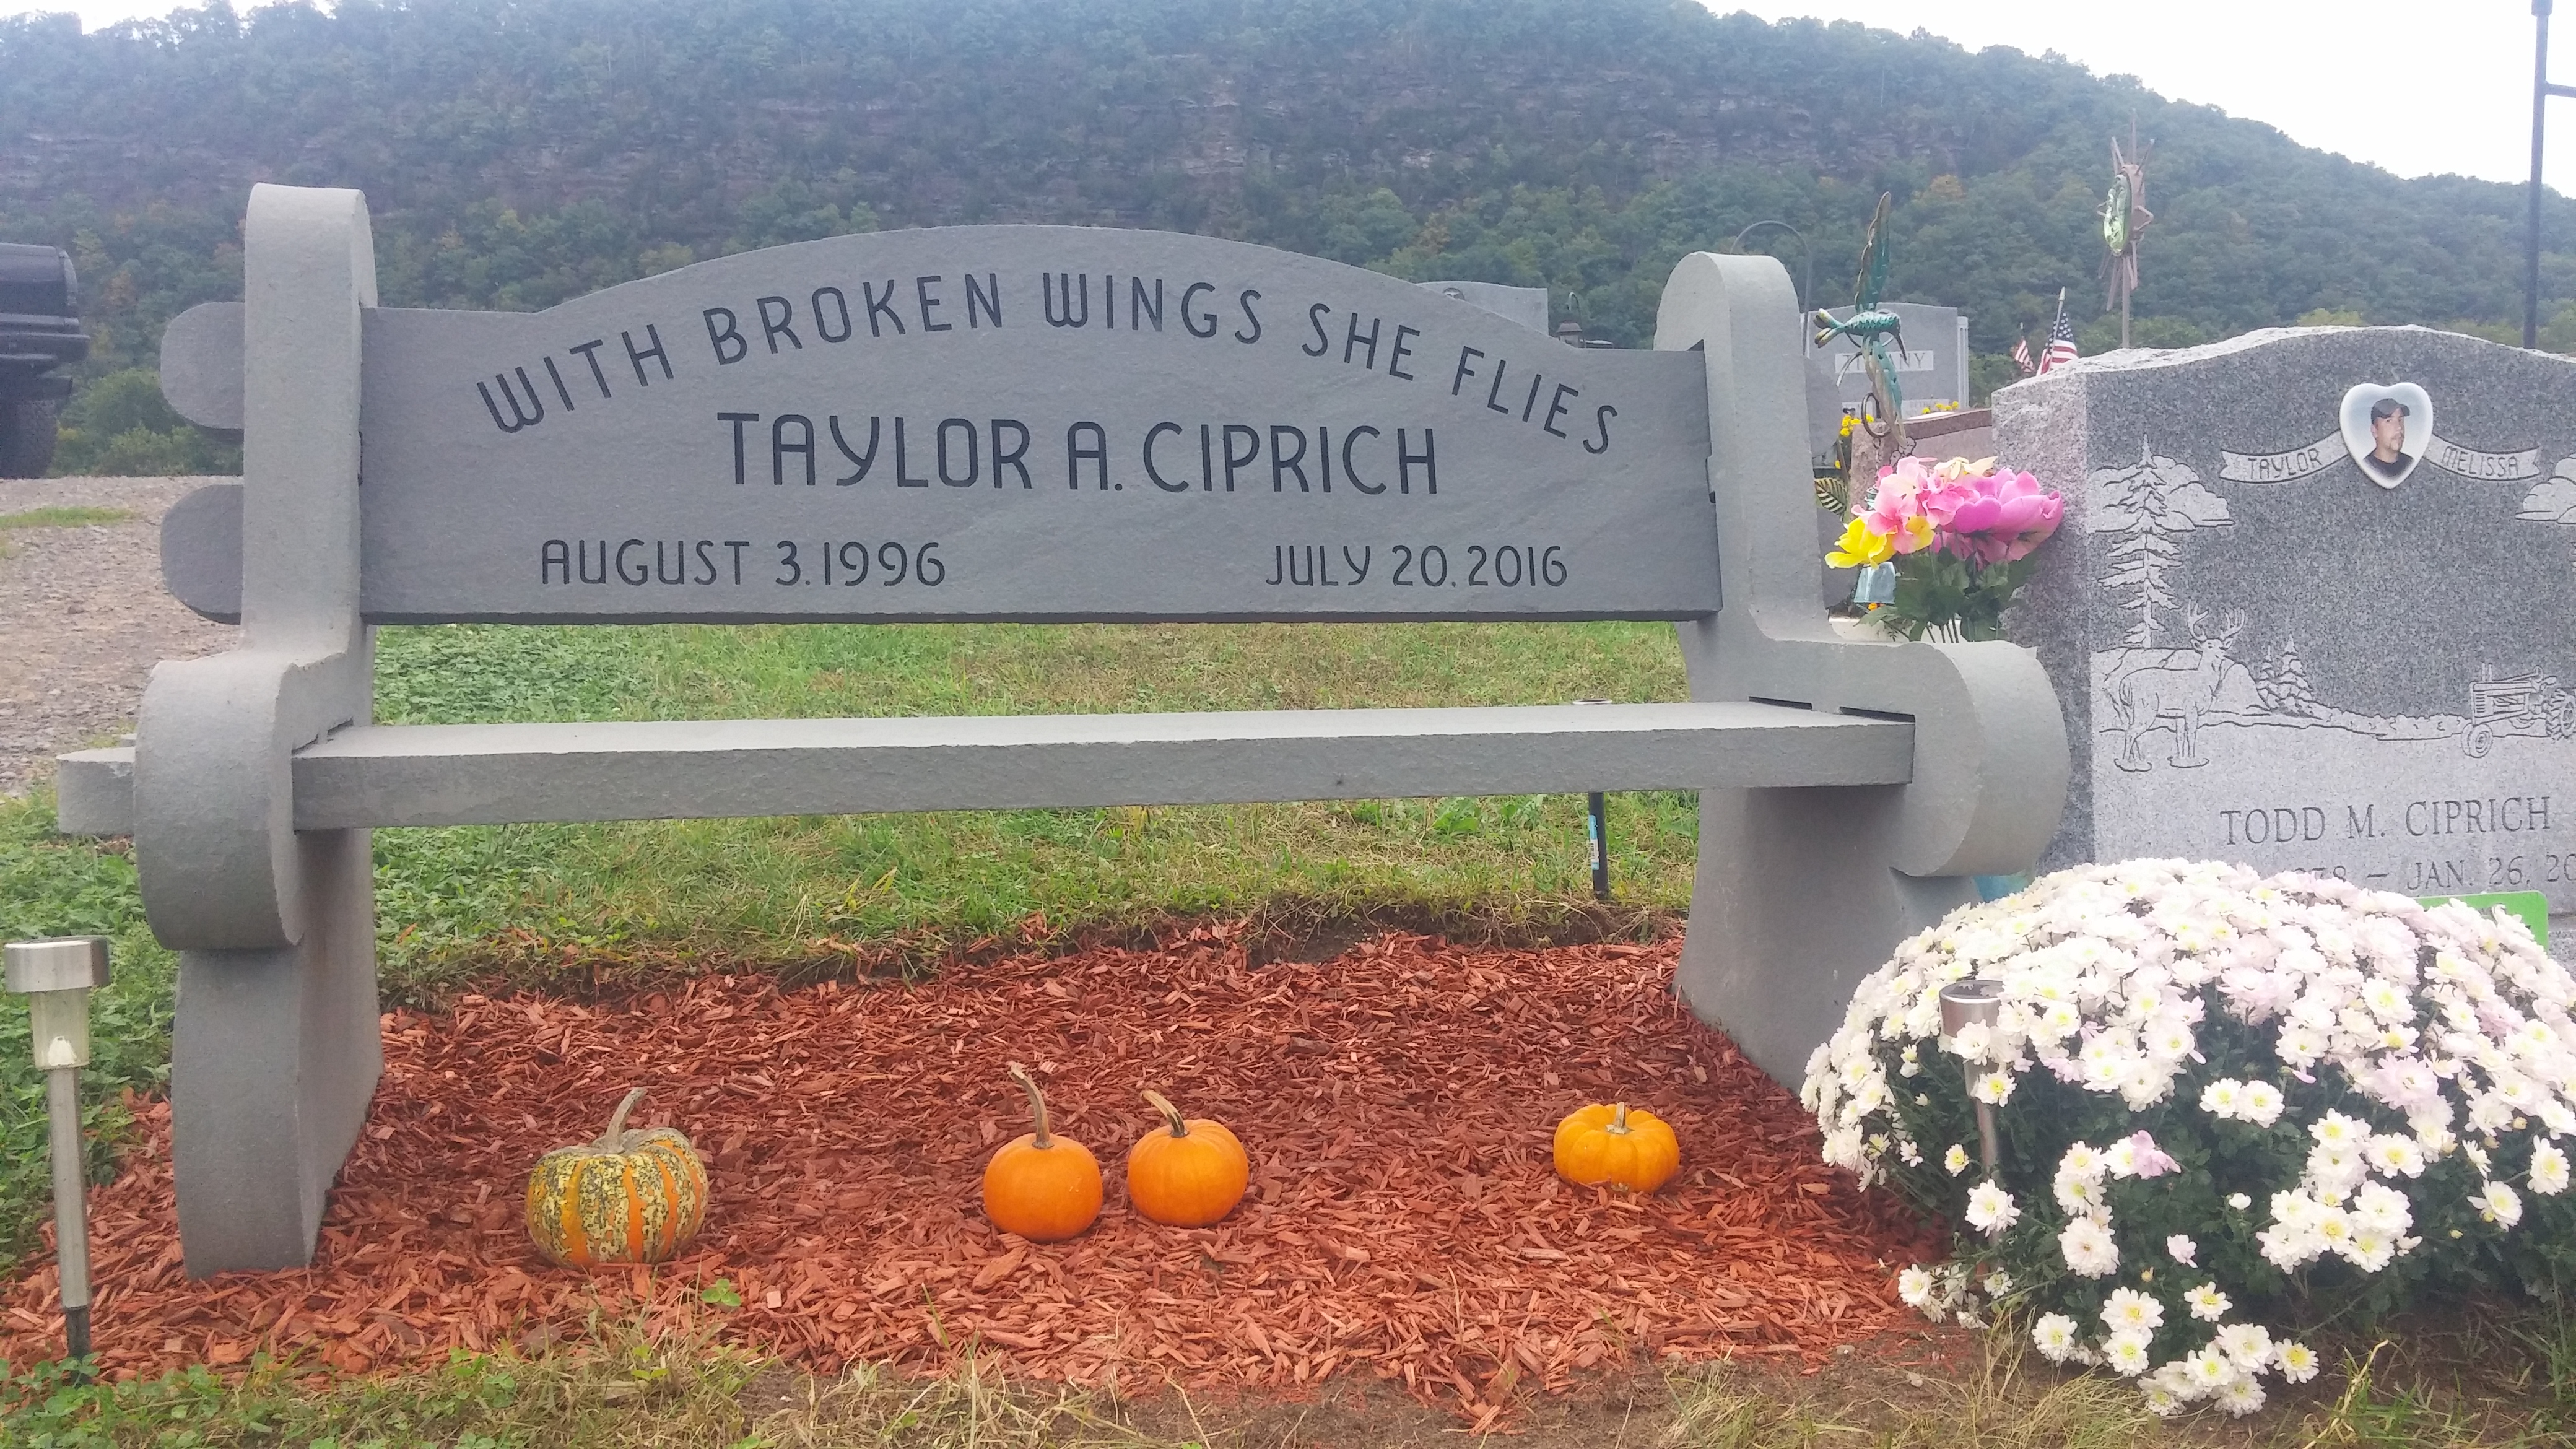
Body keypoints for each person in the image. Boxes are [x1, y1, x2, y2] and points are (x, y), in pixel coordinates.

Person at [2362, 397, 2413, 482]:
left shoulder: (2410, 463)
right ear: (2375, 431)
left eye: (2400, 420)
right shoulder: (2367, 465)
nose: (2399, 427)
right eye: (2389, 421)